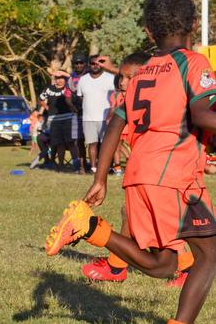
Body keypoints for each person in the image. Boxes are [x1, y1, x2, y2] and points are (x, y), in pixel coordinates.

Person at [45, 0, 216, 324]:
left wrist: (100, 178)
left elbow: (115, 124)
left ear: (149, 31)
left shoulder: (144, 72)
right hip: (174, 176)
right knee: (209, 256)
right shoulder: (194, 63)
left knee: (165, 264)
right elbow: (202, 115)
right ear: (194, 24)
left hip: (139, 174)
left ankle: (93, 228)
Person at [80, 52, 195, 287]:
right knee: (136, 216)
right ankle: (120, 265)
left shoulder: (157, 98)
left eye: (128, 77)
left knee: (163, 223)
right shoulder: (132, 100)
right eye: (120, 77)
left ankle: (120, 265)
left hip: (168, 172)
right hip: (150, 171)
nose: (122, 82)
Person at [76, 54, 115, 173]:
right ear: (89, 65)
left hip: (106, 117)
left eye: (99, 63)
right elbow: (80, 96)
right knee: (92, 143)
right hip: (88, 118)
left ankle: (107, 167)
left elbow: (117, 96)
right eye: (93, 63)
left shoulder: (111, 78)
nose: (95, 66)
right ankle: (93, 168)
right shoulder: (83, 79)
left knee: (105, 144)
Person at [38, 72, 80, 172]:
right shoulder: (49, 89)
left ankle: (76, 164)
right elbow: (40, 99)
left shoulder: (68, 88)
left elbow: (75, 80)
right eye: (57, 78)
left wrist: (65, 74)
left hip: (68, 118)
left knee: (70, 142)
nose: (59, 80)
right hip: (53, 119)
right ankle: (60, 165)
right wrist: (47, 107)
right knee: (59, 143)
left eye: (62, 78)